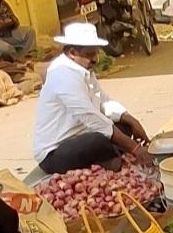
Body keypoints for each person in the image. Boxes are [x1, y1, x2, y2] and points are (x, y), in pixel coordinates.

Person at [32, 22, 152, 174]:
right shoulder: (62, 74)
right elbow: (91, 117)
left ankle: (109, 157)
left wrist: (129, 118)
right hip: (55, 153)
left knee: (124, 127)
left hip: (80, 135)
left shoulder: (83, 69)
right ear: (72, 52)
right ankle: (112, 166)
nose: (95, 59)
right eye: (89, 55)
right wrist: (135, 148)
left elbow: (103, 100)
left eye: (96, 53)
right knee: (97, 141)